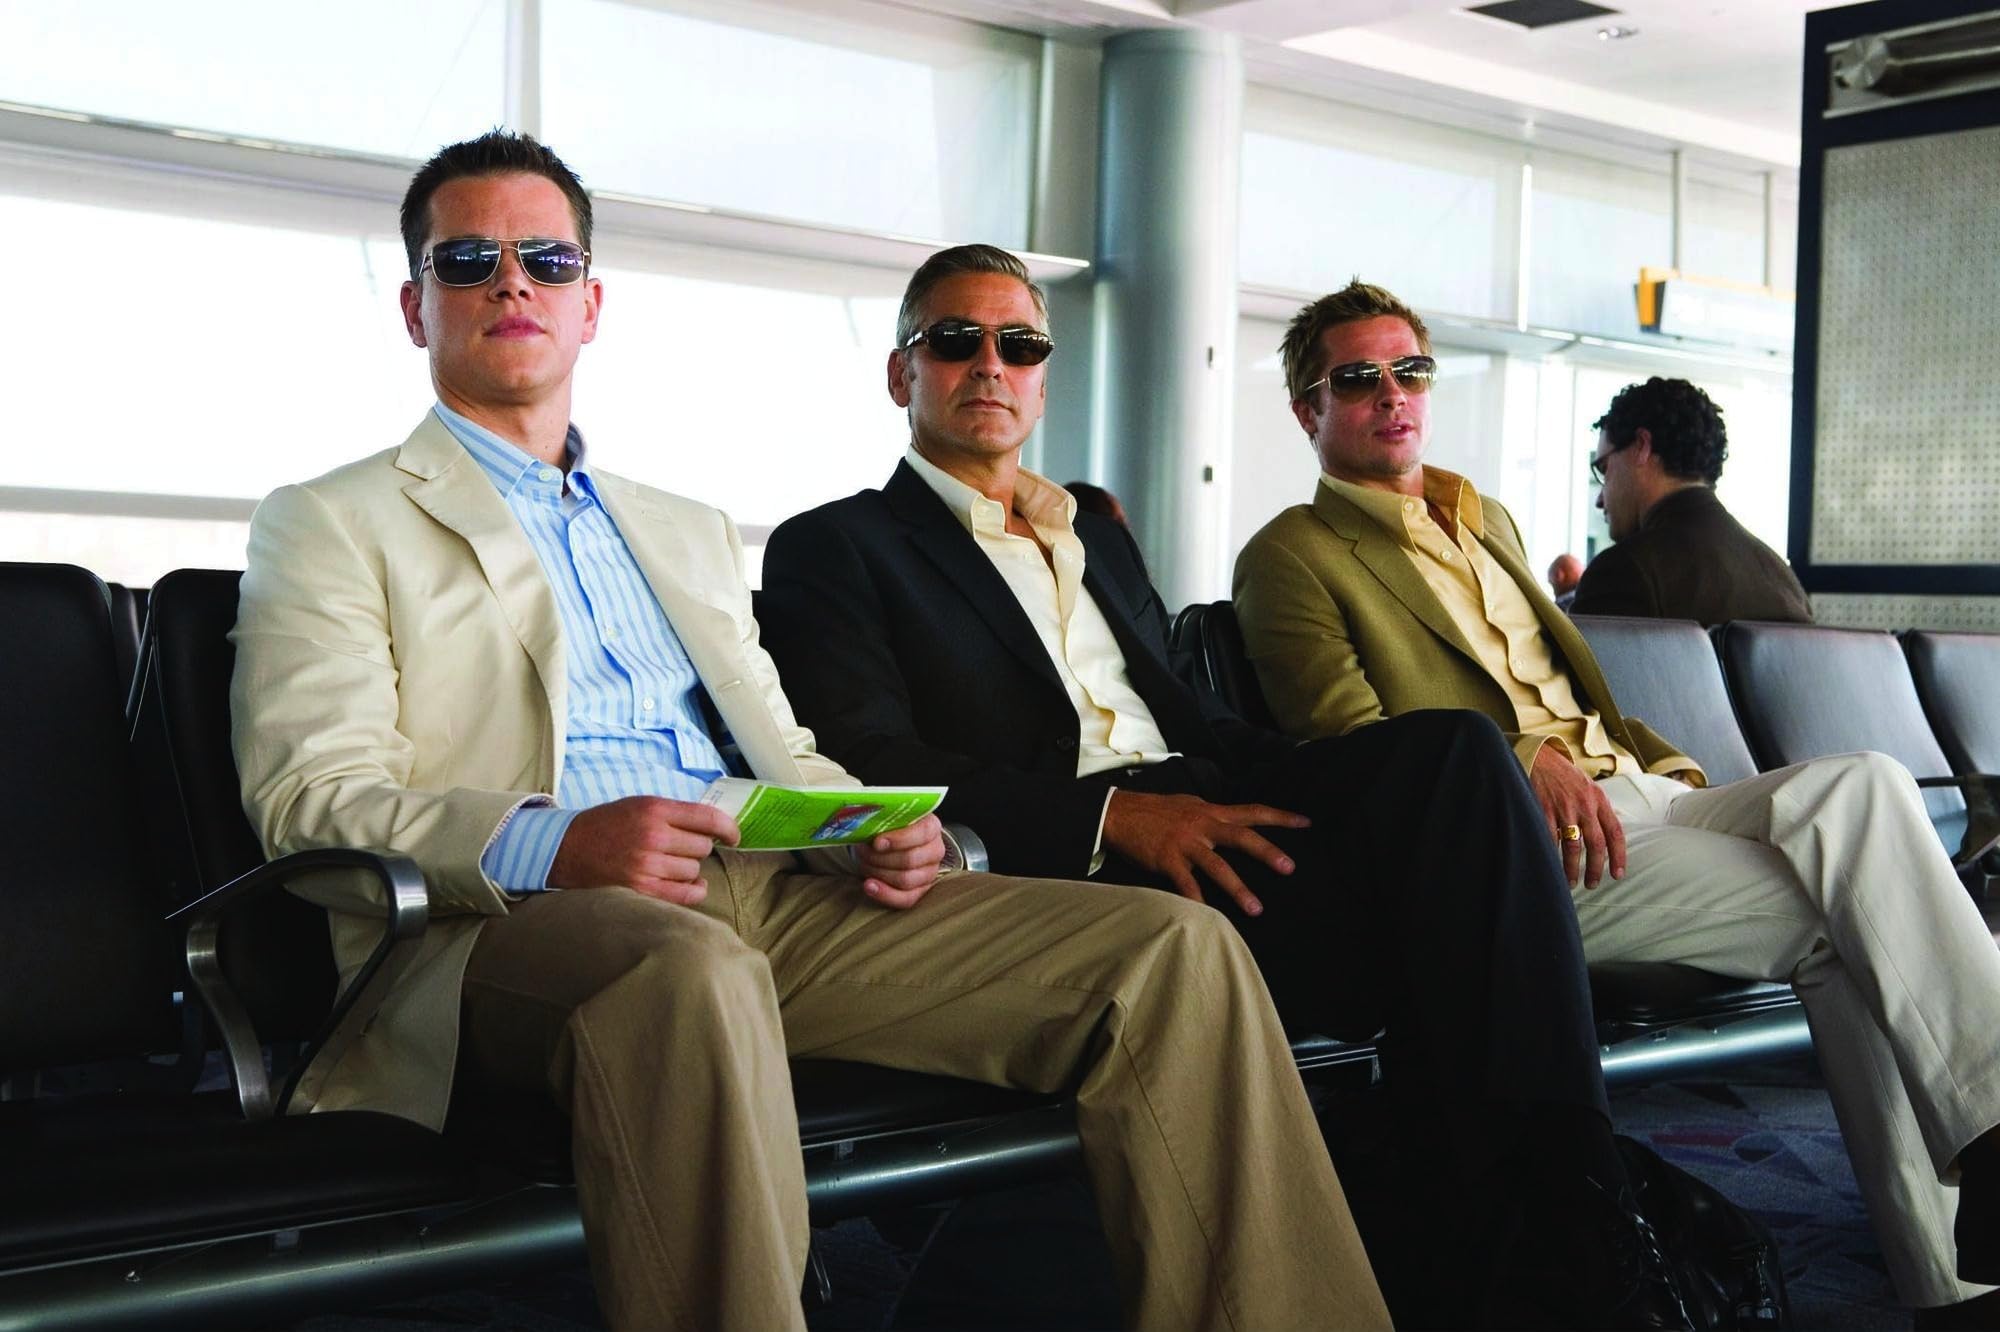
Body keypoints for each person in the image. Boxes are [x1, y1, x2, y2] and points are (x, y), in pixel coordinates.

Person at [229, 133, 1393, 1332]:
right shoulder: (332, 521)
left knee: (1170, 956)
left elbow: (784, 747)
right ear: (418, 308)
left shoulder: (678, 528)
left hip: (772, 884)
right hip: (508, 926)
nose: (510, 281)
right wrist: (553, 842)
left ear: (591, 305)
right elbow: (310, 796)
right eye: (470, 260)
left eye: (546, 257)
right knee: (687, 976)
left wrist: (879, 826)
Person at [760, 244, 1697, 1329]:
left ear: (1042, 375)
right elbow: (877, 759)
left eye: (1017, 345)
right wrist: (1115, 815)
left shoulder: (1093, 540)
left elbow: (1200, 724)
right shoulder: (837, 547)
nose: (988, 365)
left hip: (1208, 815)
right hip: (1073, 864)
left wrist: (1323, 784)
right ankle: (1560, 1241)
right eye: (954, 342)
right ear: (900, 375)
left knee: (1454, 756)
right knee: (1454, 933)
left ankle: (1554, 1198)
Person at [1232, 277, 2000, 1322]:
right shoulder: (1291, 555)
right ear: (1306, 410)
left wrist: (1667, 776)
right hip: (1515, 849)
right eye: (1355, 378)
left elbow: (1575, 688)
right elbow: (1345, 741)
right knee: (1848, 917)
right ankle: (1956, 1280)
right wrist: (1512, 758)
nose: (1389, 394)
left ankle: (1986, 1166)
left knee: (1863, 787)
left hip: (1644, 794)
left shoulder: (1482, 519)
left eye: (1407, 370)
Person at [1571, 377, 1813, 625]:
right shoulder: (1782, 579)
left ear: (1641, 446)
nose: (1600, 500)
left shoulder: (1625, 572)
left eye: (1604, 468)